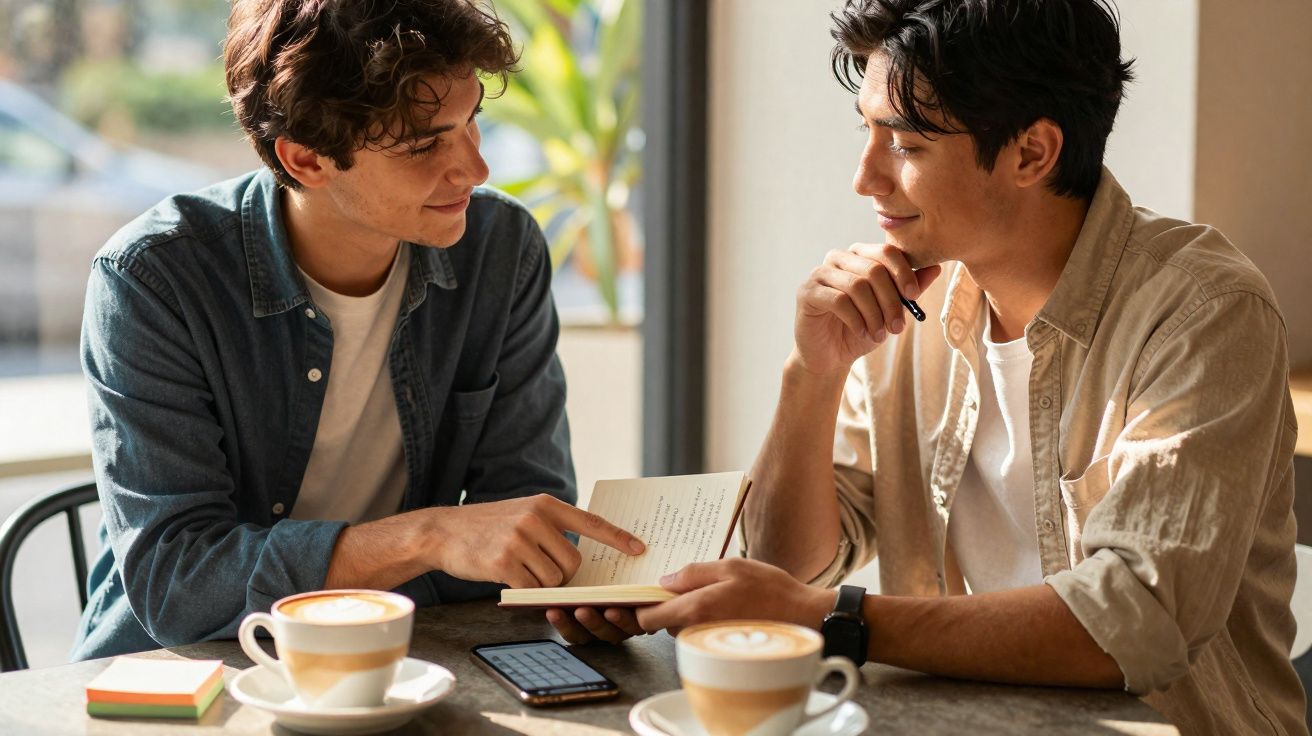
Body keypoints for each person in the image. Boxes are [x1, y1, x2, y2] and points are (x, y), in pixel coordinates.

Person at [563, 0, 1307, 732]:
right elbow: (791, 568)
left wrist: (840, 622)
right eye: (867, 133)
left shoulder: (1204, 311)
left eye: (906, 146)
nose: (866, 179)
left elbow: (1136, 617)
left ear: (1031, 153)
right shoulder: (915, 297)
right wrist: (810, 372)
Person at [72, 0, 644, 661]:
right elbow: (180, 587)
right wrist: (430, 539)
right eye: (425, 144)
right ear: (307, 160)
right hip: (191, 676)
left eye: (472, 123)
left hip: (409, 661)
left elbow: (515, 522)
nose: (475, 170)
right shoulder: (155, 278)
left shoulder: (499, 249)